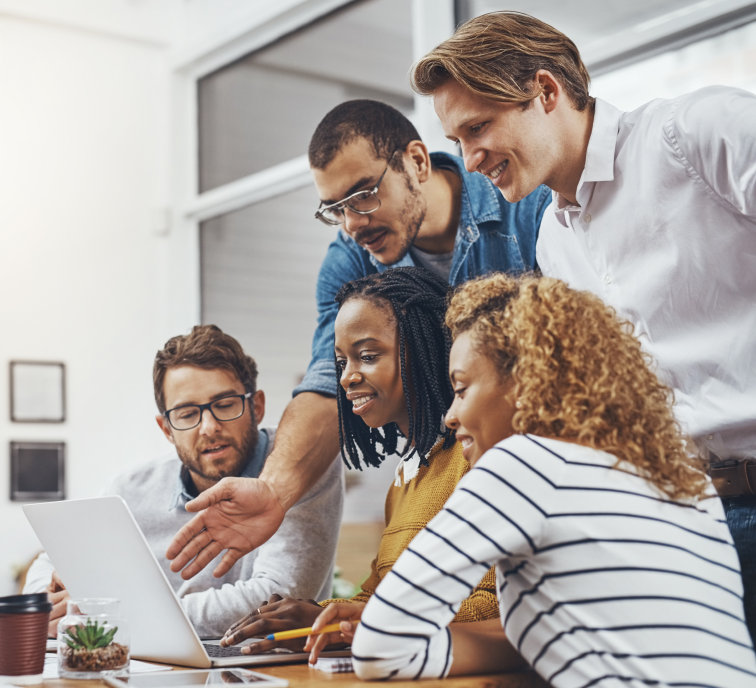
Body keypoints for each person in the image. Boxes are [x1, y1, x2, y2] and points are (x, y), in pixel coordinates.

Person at [411, 10, 756, 666]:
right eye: (456, 139)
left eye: (478, 127)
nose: (470, 158)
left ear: (546, 92)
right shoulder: (552, 239)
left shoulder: (696, 134)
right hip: (699, 531)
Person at [306, 273, 756, 686]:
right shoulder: (683, 480)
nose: (450, 414)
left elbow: (379, 648)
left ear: (526, 383)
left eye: (462, 388)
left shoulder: (519, 465)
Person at [167, 100, 551, 581]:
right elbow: (327, 382)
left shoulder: (530, 211)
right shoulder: (349, 261)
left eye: (363, 194)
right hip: (453, 481)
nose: (352, 223)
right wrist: (275, 490)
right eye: (334, 208)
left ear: (416, 161)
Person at [219, 267, 500, 657]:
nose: (348, 377)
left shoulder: (476, 458)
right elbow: (379, 594)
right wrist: (312, 617)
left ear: (424, 348)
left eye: (367, 356)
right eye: (341, 362)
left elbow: (494, 605)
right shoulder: (406, 476)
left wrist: (362, 619)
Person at [23, 325, 343, 637]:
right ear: (166, 429)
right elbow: (47, 564)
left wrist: (116, 612)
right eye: (187, 414)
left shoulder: (302, 467)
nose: (208, 427)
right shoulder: (129, 489)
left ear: (255, 406)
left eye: (225, 404)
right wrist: (59, 598)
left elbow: (280, 597)